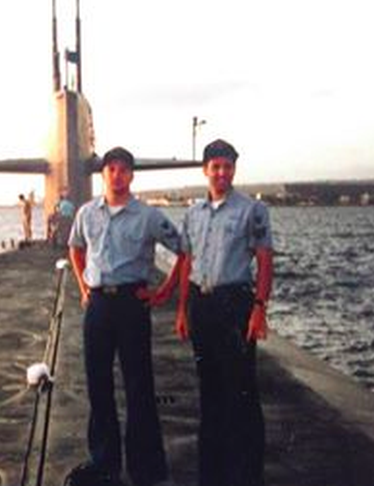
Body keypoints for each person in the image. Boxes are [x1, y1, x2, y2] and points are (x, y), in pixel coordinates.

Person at [68, 146, 184, 486]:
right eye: (111, 170)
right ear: (103, 175)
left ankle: (145, 466)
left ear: (131, 175)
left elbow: (183, 249)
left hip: (133, 304)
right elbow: (75, 247)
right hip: (99, 305)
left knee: (139, 385)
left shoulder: (148, 216)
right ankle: (105, 463)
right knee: (98, 384)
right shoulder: (87, 214)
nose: (117, 176)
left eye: (123, 170)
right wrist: (83, 287)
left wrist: (164, 291)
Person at [175, 139, 274, 486]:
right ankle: (212, 476)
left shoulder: (252, 210)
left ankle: (248, 478)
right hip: (202, 307)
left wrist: (259, 309)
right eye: (215, 166)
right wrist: (182, 310)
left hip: (235, 305)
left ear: (234, 169)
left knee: (242, 394)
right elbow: (187, 262)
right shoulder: (193, 214)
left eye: (227, 166)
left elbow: (264, 260)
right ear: (205, 170)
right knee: (210, 394)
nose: (221, 173)